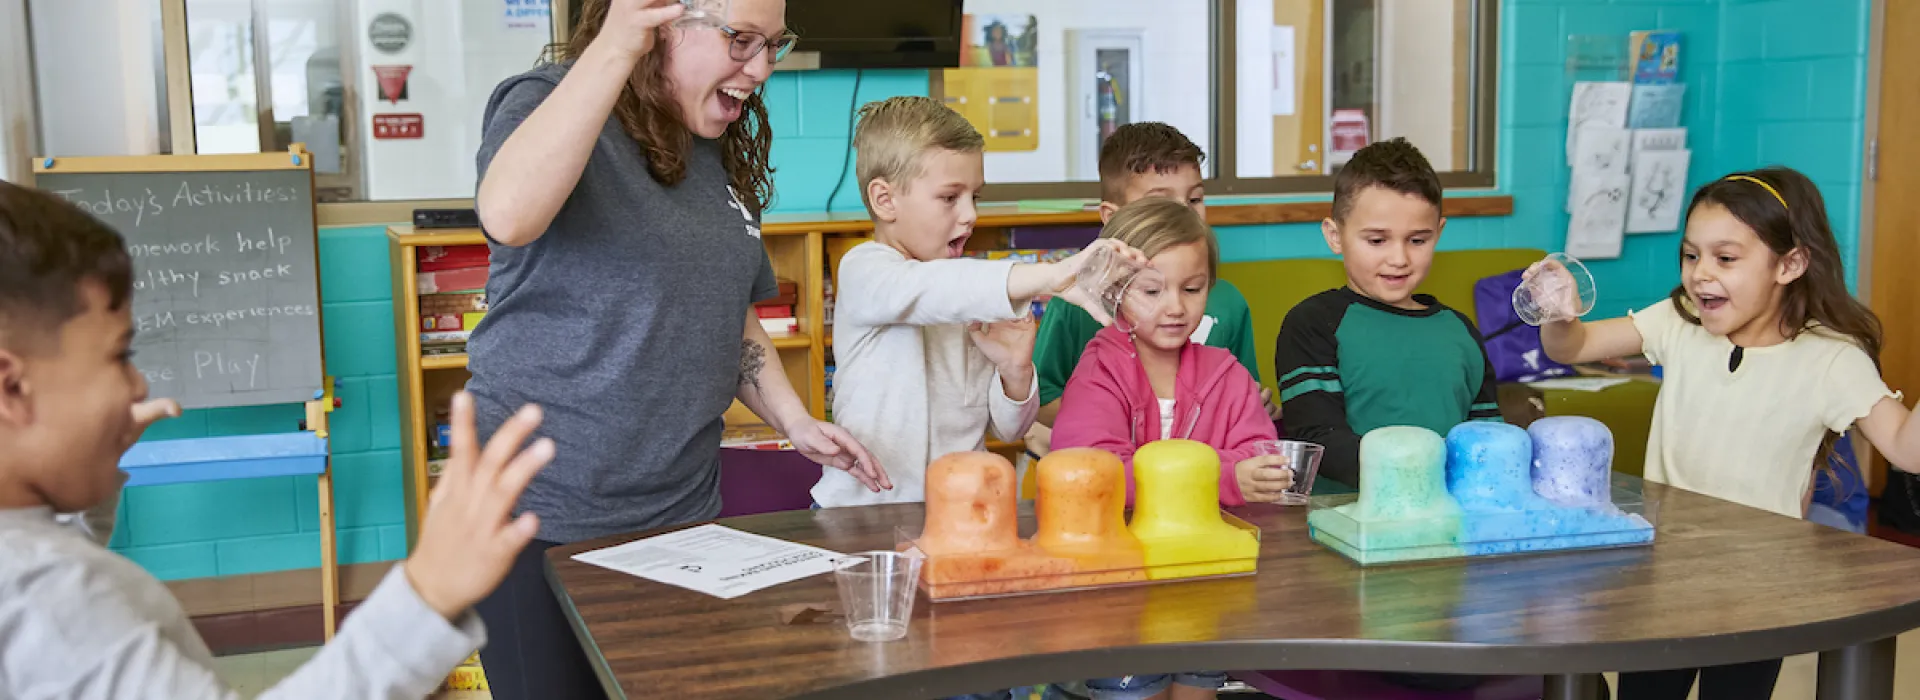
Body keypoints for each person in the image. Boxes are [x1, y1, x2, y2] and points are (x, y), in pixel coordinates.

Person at [469, 0, 885, 696]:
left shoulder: (707, 142)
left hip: (678, 516)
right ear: (659, 22)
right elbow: (508, 215)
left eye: (773, 46)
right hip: (538, 514)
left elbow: (730, 313)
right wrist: (616, 44)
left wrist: (794, 420)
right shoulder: (549, 101)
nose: (758, 71)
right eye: (741, 41)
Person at [0, 181, 553, 698]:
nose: (138, 383)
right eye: (118, 356)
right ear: (10, 387)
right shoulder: (50, 599)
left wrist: (94, 470)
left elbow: (47, 545)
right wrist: (427, 592)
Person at [1537, 167, 1920, 700]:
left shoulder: (1832, 358)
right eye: (1691, 255)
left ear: (1790, 264)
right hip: (1661, 579)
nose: (1700, 275)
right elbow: (1570, 347)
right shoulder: (1679, 320)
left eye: (1726, 258)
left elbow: (1907, 448)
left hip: (1761, 589)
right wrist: (1558, 312)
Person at [817, 94, 1147, 512]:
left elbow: (1009, 429)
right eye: (950, 197)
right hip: (860, 515)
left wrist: (1014, 372)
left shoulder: (970, 289)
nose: (971, 214)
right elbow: (927, 291)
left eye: (976, 196)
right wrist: (1051, 274)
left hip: (959, 517)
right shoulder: (864, 270)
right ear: (885, 201)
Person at [1044, 197, 1292, 700]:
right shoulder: (1098, 374)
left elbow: (1258, 454)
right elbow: (1095, 474)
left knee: (1197, 688)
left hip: (1201, 584)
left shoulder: (1227, 373)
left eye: (1193, 288)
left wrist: (1259, 475)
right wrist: (1225, 478)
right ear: (1113, 291)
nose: (1176, 306)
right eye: (1152, 290)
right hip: (1118, 590)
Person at [1028, 123, 1274, 459]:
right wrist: (1127, 424)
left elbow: (1249, 407)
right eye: (1160, 202)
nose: (1183, 214)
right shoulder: (1076, 304)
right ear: (1111, 218)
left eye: (1195, 199)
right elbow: (1041, 397)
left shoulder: (1229, 302)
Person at [1272, 137, 1502, 489]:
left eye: (1417, 240)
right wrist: (1414, 479)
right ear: (1335, 236)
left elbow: (1487, 439)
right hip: (1346, 524)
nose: (1399, 258)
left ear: (1438, 234)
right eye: (1377, 240)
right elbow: (1319, 439)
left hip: (1449, 519)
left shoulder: (1460, 330)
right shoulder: (1313, 324)